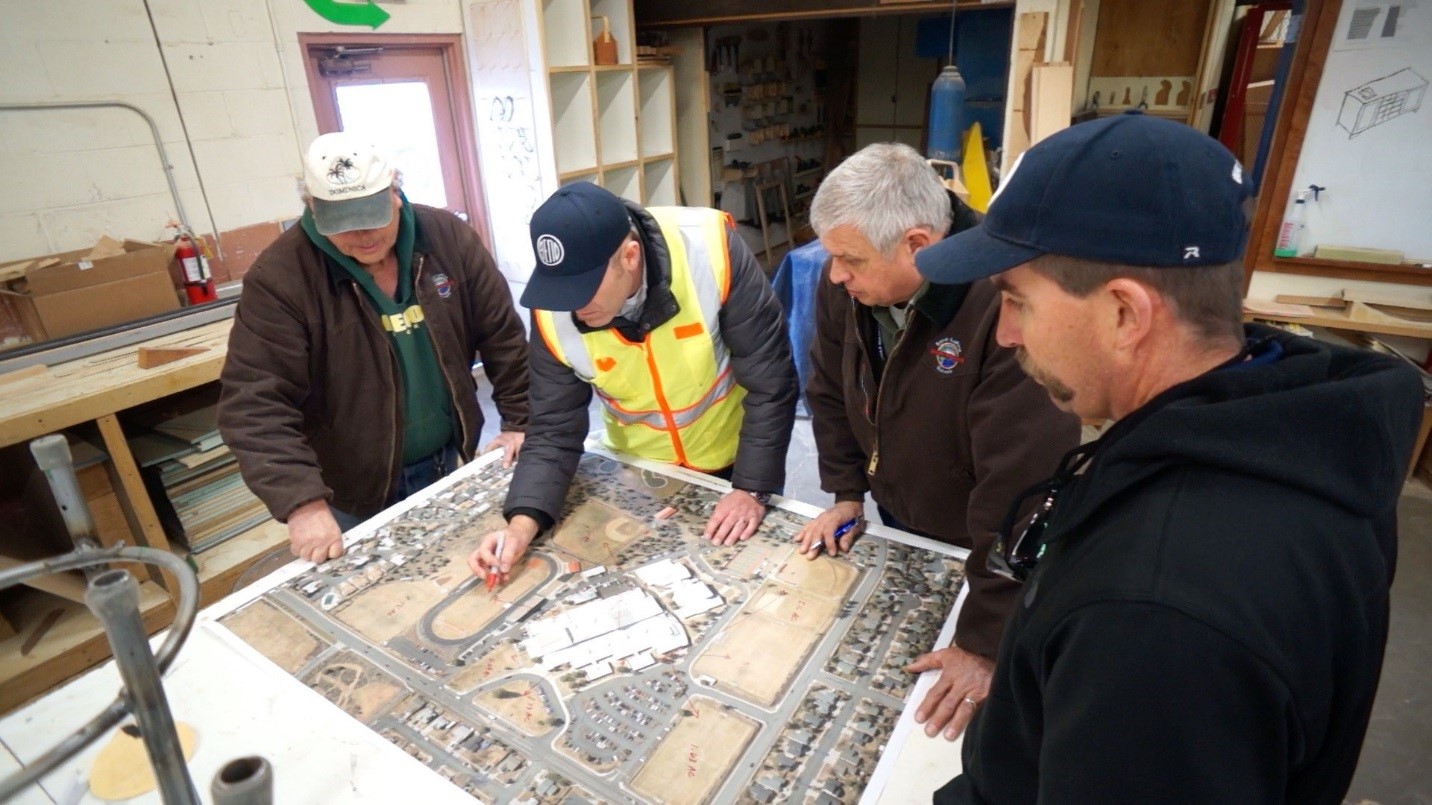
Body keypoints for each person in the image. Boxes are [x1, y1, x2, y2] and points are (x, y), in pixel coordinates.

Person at [916, 110, 1424, 802]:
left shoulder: (1155, 612)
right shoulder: (1298, 436)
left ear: (1126, 314)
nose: (1005, 334)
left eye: (1017, 300)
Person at [800, 142, 1080, 741]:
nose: (834, 274)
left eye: (849, 259)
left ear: (918, 246)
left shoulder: (1002, 309)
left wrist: (983, 643)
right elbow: (828, 388)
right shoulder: (847, 284)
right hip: (900, 508)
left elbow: (1021, 493)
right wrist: (847, 492)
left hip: (980, 537)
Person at [219, 131, 529, 564]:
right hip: (352, 490)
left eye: (373, 216)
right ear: (312, 207)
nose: (364, 236)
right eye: (345, 224)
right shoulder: (281, 279)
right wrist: (302, 502)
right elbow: (254, 406)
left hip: (447, 459)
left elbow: (503, 337)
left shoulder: (446, 238)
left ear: (395, 192)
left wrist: (520, 419)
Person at [468, 183, 796, 580]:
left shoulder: (710, 250)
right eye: (561, 290)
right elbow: (553, 428)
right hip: (639, 473)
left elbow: (770, 379)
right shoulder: (554, 310)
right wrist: (520, 525)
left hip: (735, 460)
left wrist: (752, 487)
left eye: (584, 289)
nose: (571, 306)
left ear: (630, 256)